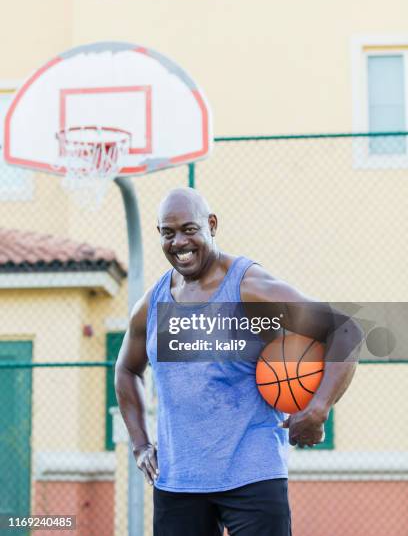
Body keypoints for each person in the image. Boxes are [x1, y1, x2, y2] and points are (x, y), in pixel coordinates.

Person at [115, 188, 362, 536]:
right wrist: (140, 444)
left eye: (189, 229)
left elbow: (345, 330)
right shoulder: (152, 305)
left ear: (211, 225)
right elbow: (126, 370)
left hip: (252, 474)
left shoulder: (249, 288)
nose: (179, 242)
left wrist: (319, 408)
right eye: (167, 233)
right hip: (179, 479)